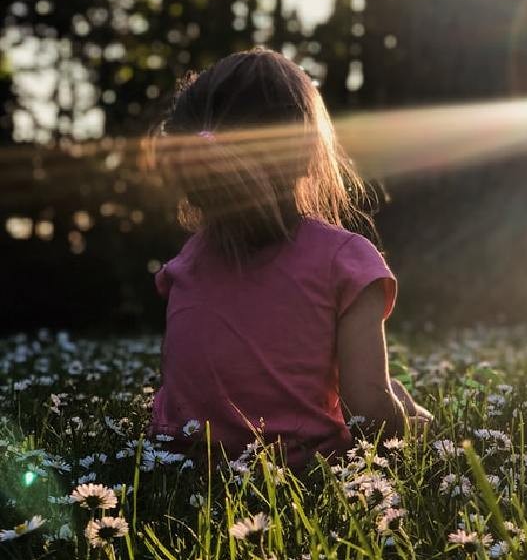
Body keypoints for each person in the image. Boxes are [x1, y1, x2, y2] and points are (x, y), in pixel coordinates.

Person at [143, 47, 433, 472]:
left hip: (184, 470)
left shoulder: (187, 263)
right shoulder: (345, 261)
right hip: (302, 477)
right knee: (396, 399)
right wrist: (411, 424)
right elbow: (368, 412)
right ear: (304, 152)